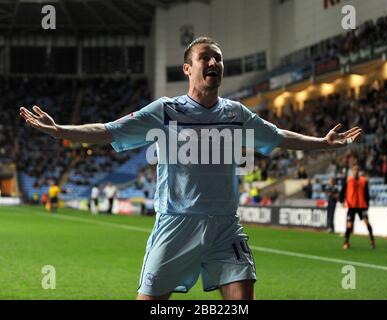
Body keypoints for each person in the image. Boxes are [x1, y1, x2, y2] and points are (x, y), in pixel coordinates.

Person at [19, 36, 362, 300]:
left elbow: (276, 136)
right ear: (188, 68)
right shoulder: (165, 110)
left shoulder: (235, 113)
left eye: (219, 58)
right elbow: (110, 130)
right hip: (176, 225)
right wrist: (60, 130)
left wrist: (322, 143)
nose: (214, 62)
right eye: (205, 58)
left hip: (226, 226)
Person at [340, 164, 375, 250]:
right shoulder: (348, 181)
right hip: (351, 206)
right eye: (354, 170)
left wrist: (367, 205)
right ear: (352, 171)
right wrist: (342, 201)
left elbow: (367, 194)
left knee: (367, 223)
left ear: (359, 172)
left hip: (361, 206)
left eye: (357, 170)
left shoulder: (363, 181)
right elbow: (342, 193)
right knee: (349, 225)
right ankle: (346, 242)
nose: (356, 172)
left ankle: (372, 241)